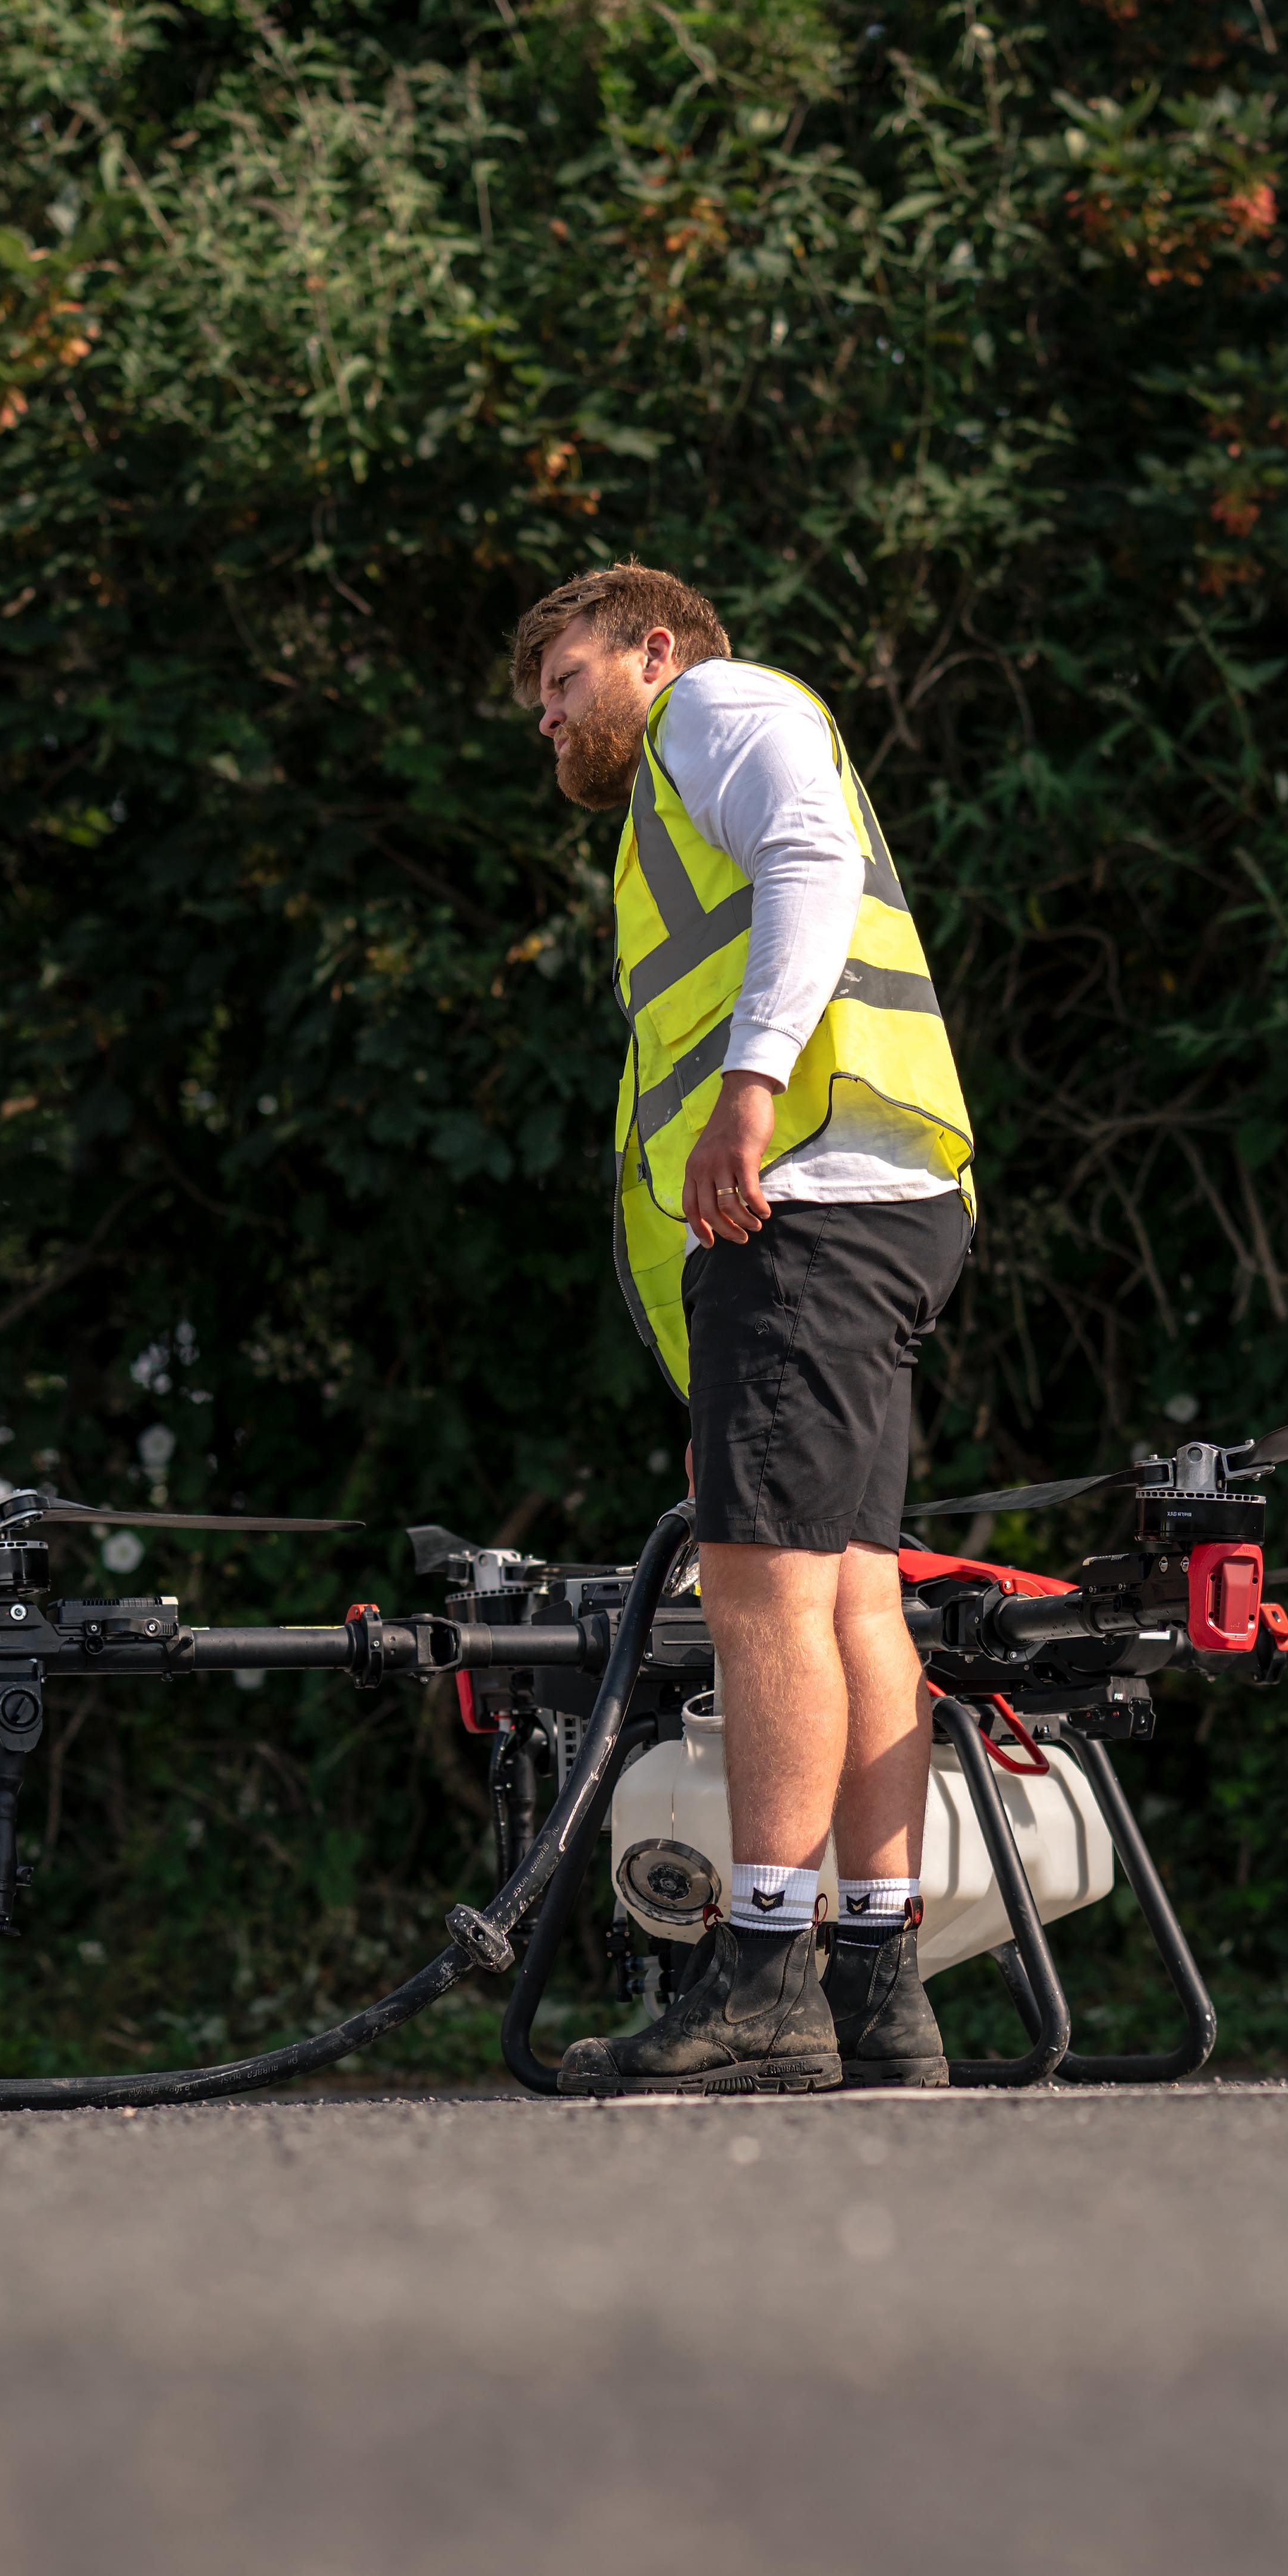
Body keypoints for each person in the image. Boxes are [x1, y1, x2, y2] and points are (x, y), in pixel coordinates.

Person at [508, 565, 976, 2095]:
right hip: (872, 1198)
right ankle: (877, 1989)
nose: (549, 718)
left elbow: (808, 858)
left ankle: (766, 1981)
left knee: (763, 1587)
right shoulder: (668, 799)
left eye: (563, 680)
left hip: (812, 1195)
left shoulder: (719, 702)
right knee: (849, 1597)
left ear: (650, 651)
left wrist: (750, 1088)